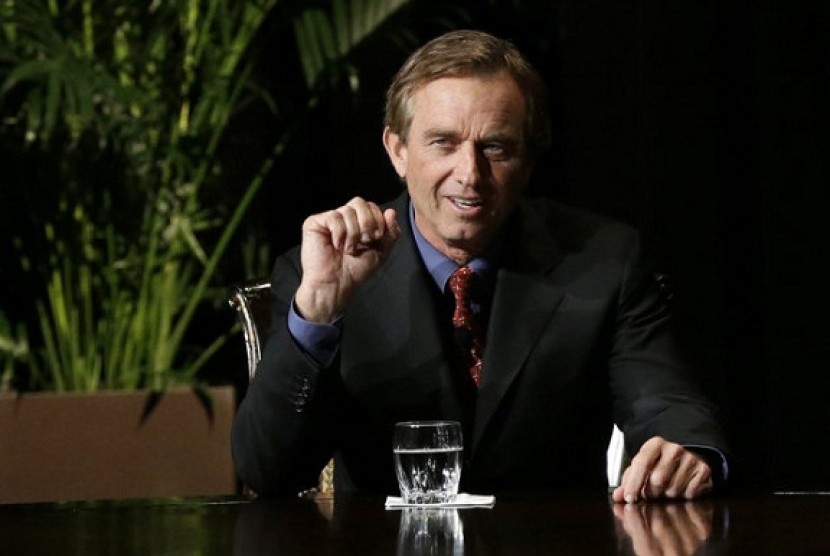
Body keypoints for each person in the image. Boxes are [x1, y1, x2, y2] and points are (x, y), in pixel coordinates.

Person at [231, 29, 729, 503]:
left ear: (528, 160)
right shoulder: (323, 271)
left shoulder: (604, 262)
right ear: (397, 150)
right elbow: (267, 471)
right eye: (443, 142)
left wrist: (685, 450)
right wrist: (318, 310)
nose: (470, 175)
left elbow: (664, 403)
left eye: (495, 147)